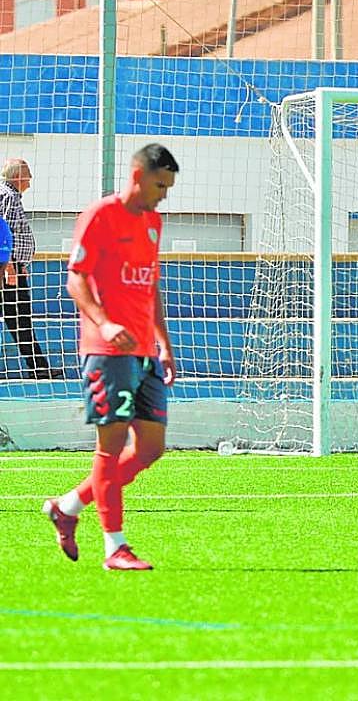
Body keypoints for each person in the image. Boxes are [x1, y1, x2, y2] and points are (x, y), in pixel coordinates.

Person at [41, 144, 179, 570]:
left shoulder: (154, 223)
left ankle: (68, 505)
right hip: (106, 351)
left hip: (144, 352)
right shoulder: (100, 215)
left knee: (151, 449)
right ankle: (113, 546)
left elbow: (150, 286)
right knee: (112, 444)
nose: (164, 195)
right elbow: (76, 279)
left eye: (169, 187)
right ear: (137, 175)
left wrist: (165, 343)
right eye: (160, 185)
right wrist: (103, 323)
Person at [0, 159, 62, 378]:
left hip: (12, 264)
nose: (31, 178)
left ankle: (39, 368)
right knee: (19, 317)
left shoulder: (10, 196)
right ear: (17, 176)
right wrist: (9, 266)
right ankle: (39, 369)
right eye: (27, 173)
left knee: (17, 318)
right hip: (7, 268)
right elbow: (3, 232)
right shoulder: (8, 197)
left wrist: (18, 263)